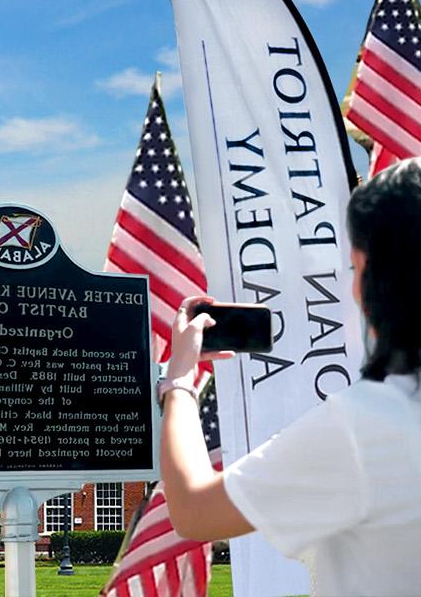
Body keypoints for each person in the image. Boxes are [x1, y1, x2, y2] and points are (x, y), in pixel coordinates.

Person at [159, 160, 421, 595]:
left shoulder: (366, 427)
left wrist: (180, 381)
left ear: (383, 278)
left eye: (356, 269)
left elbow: (193, 510)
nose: (354, 289)